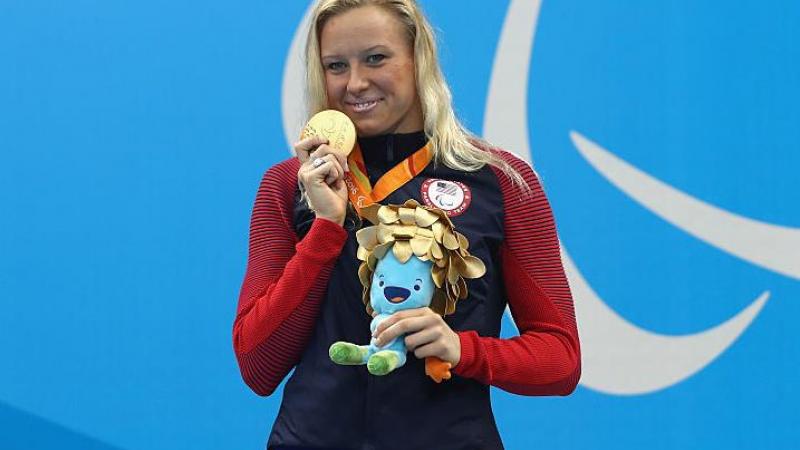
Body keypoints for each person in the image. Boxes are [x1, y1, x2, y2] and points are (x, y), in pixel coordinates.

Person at [232, 1, 581, 448]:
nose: (355, 83)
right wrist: (325, 227)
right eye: (336, 65)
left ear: (420, 59)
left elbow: (560, 360)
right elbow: (258, 364)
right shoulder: (289, 185)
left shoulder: (501, 182)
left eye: (376, 58)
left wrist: (463, 349)